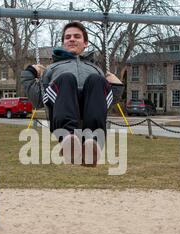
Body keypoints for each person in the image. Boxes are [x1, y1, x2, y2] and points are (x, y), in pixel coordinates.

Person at [21, 21, 123, 166]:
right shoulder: (51, 68)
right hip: (63, 106)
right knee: (66, 78)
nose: (72, 39)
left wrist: (117, 86)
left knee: (96, 80)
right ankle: (68, 139)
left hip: (90, 111)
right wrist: (29, 74)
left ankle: (92, 144)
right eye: (68, 37)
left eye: (77, 36)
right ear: (63, 43)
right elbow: (38, 100)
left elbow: (106, 101)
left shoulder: (96, 69)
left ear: (85, 43)